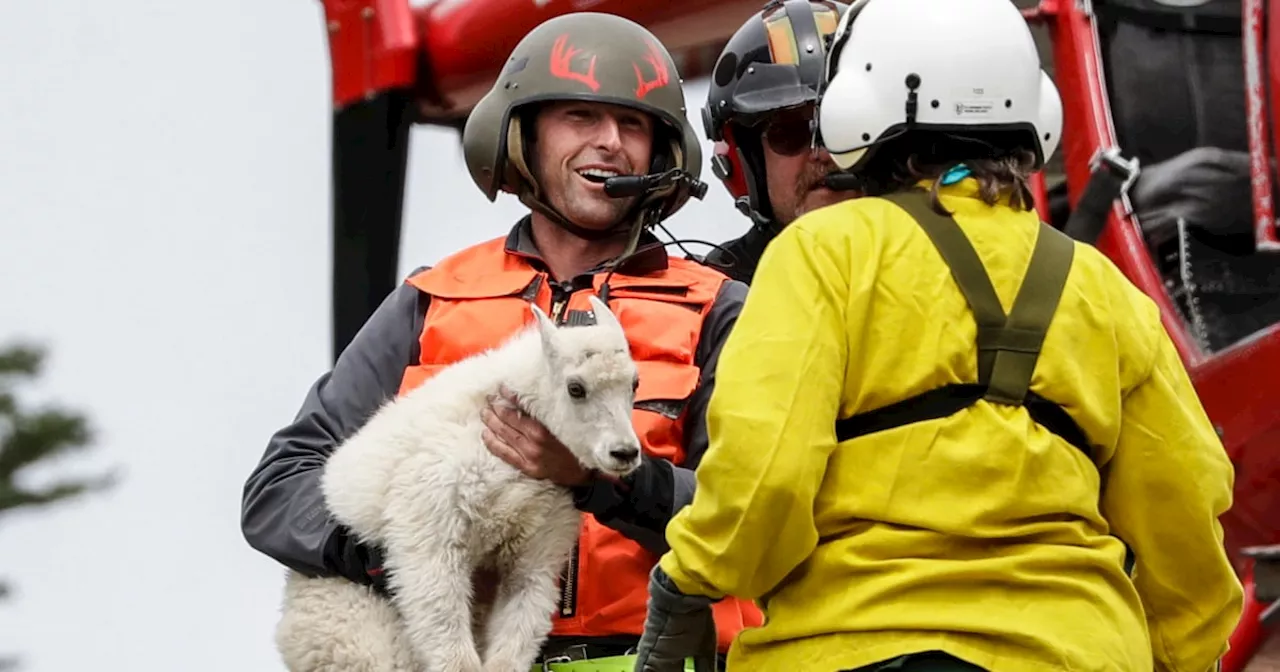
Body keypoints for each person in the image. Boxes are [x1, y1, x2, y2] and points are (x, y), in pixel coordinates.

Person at [632, 0, 1244, 670]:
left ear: (857, 103)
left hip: (859, 647)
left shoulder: (824, 253)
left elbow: (762, 486)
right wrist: (1180, 651)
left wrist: (685, 579)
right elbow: (1184, 514)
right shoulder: (1103, 288)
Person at [240, 11, 761, 670]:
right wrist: (405, 550)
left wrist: (597, 482)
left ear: (661, 155)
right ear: (523, 137)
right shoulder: (431, 301)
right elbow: (277, 492)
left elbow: (753, 515)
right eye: (581, 117)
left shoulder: (719, 310)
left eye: (633, 125)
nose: (610, 143)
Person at [699, 0, 862, 285]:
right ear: (745, 162)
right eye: (790, 133)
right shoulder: (711, 301)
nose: (821, 152)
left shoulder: (941, 262)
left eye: (842, 125)